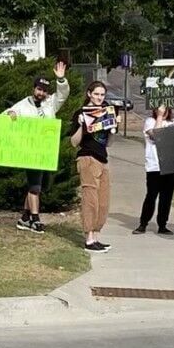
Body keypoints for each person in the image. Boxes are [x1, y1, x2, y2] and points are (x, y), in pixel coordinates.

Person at [6, 61, 70, 233]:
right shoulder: (23, 104)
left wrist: (61, 79)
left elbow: (63, 95)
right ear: (34, 89)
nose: (41, 93)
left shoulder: (50, 104)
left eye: (44, 90)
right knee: (35, 187)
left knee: (39, 186)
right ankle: (35, 219)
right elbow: (9, 115)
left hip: (45, 151)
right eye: (39, 89)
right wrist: (10, 115)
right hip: (30, 151)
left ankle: (24, 217)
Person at [69, 81, 113, 253]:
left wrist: (113, 129)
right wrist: (81, 125)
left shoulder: (105, 112)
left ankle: (95, 236)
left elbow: (108, 143)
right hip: (87, 157)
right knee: (91, 199)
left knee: (103, 201)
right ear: (89, 94)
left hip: (103, 159)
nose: (99, 98)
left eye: (102, 95)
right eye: (96, 94)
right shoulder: (80, 113)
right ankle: (88, 239)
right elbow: (73, 142)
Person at [134, 104, 174, 235]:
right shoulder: (150, 122)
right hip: (154, 166)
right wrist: (159, 116)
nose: (163, 111)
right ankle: (143, 223)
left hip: (170, 165)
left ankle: (162, 224)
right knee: (151, 195)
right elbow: (156, 136)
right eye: (160, 109)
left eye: (165, 109)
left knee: (166, 197)